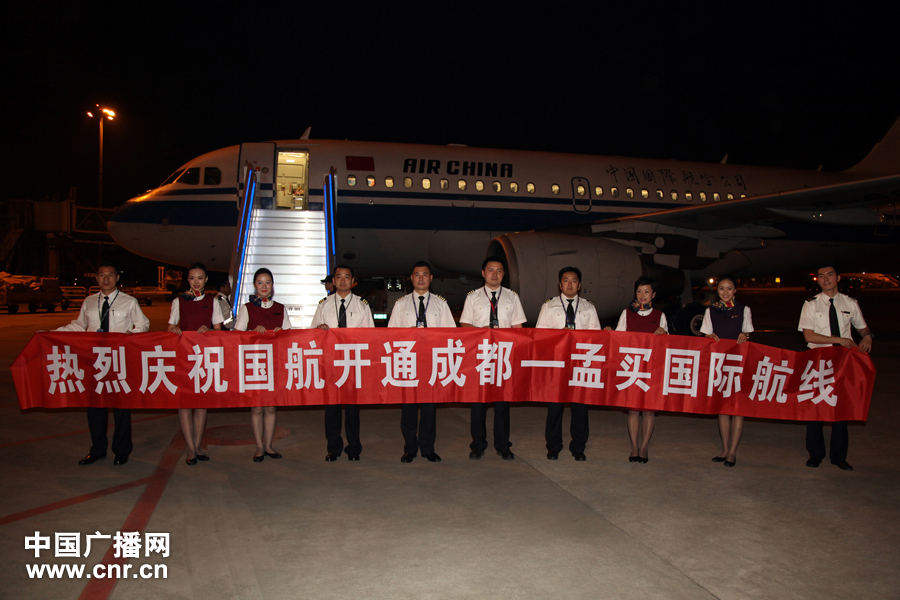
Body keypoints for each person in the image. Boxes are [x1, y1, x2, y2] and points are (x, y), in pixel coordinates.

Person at [51, 261, 149, 466]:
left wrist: (131, 335)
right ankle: (97, 450)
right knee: (95, 407)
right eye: (102, 275)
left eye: (110, 275)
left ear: (117, 278)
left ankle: (121, 451)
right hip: (94, 361)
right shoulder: (88, 302)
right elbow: (78, 326)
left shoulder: (128, 302)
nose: (106, 279)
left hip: (119, 360)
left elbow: (143, 324)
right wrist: (52, 333)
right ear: (96, 278)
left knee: (121, 407)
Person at [798, 264, 873, 471]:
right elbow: (809, 335)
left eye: (830, 275)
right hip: (819, 360)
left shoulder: (850, 303)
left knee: (841, 408)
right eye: (821, 276)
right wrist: (839, 340)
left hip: (843, 362)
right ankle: (815, 454)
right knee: (816, 408)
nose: (825, 279)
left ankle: (839, 457)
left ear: (838, 277)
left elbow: (862, 326)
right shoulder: (811, 304)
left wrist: (867, 335)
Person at [388, 261, 456, 463]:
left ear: (431, 278)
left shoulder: (440, 304)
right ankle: (410, 448)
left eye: (425, 274)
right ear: (411, 278)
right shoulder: (401, 304)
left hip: (431, 365)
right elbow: (391, 335)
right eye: (416, 274)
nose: (420, 278)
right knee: (408, 409)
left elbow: (450, 333)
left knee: (429, 410)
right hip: (408, 363)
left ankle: (427, 448)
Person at [460, 257, 527, 460]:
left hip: (503, 357)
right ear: (483, 273)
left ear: (504, 274)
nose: (495, 274)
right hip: (480, 358)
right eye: (491, 270)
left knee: (502, 404)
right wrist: (481, 332)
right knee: (478, 403)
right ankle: (478, 444)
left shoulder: (512, 297)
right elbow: (464, 325)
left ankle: (502, 445)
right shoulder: (473, 297)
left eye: (499, 270)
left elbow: (518, 328)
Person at [535, 267, 601, 461]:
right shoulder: (549, 306)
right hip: (557, 363)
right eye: (566, 280)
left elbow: (596, 337)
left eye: (574, 281)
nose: (570, 284)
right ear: (560, 284)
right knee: (555, 406)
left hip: (581, 364)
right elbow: (540, 335)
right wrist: (559, 335)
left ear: (579, 285)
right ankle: (553, 447)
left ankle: (578, 447)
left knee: (580, 406)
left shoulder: (589, 307)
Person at [311, 264, 374, 461]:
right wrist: (319, 330)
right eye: (339, 277)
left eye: (347, 277)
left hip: (353, 364)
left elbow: (371, 336)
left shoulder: (362, 305)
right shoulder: (324, 305)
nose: (343, 280)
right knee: (332, 409)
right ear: (334, 281)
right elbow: (312, 332)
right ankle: (333, 448)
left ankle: (354, 448)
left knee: (353, 410)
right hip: (330, 364)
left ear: (352, 281)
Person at [167, 263, 225, 466]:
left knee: (201, 404)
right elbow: (171, 326)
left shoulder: (212, 301)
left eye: (200, 278)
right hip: (184, 357)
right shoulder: (178, 301)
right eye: (192, 278)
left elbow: (218, 330)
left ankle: (197, 445)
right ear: (187, 280)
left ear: (206, 279)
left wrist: (209, 330)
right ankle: (190, 448)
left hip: (204, 357)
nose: (196, 282)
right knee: (185, 405)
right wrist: (173, 330)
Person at [608, 276, 668, 464]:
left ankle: (644, 447)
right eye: (640, 291)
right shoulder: (627, 313)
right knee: (633, 410)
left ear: (654, 295)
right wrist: (610, 332)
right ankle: (634, 446)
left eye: (647, 291)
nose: (643, 295)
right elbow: (618, 337)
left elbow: (668, 344)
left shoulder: (660, 316)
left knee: (648, 411)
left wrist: (663, 333)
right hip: (632, 368)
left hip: (651, 369)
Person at [234, 268, 291, 462]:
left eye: (267, 282)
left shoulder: (281, 308)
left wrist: (281, 332)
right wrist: (251, 331)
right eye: (260, 282)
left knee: (271, 407)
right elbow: (236, 336)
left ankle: (269, 445)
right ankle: (259, 446)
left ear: (272, 285)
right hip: (254, 363)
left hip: (275, 363)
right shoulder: (247, 308)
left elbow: (290, 336)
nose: (264, 286)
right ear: (254, 286)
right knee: (257, 408)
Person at [700, 275, 753, 467]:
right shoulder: (711, 310)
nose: (725, 292)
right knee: (722, 408)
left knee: (737, 408)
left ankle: (732, 451)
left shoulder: (743, 309)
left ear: (735, 291)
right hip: (719, 362)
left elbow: (748, 331)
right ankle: (724, 448)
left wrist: (744, 335)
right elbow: (706, 334)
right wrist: (709, 337)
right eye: (721, 288)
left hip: (738, 362)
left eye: (729, 288)